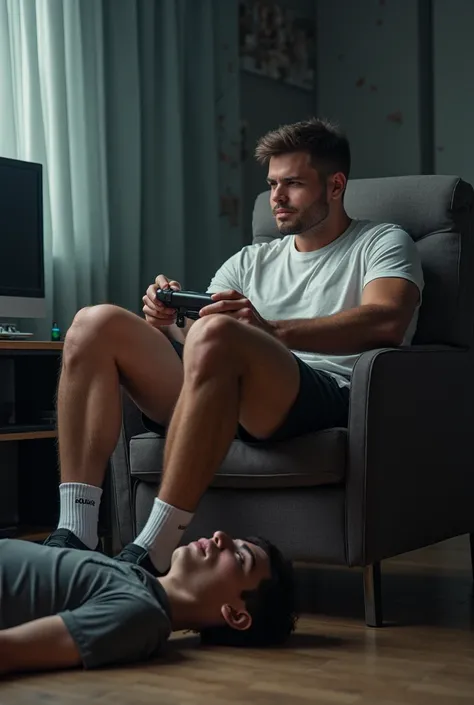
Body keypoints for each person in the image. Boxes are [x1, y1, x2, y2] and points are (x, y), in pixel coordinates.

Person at [44, 117, 424, 576]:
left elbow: (388, 318)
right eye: (272, 185)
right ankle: (76, 534)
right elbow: (202, 336)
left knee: (220, 333)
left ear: (336, 185)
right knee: (93, 322)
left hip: (317, 390)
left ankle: (153, 549)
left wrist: (273, 332)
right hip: (222, 390)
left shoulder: (380, 241)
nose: (276, 199)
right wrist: (168, 323)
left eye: (293, 184)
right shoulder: (250, 259)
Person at [0, 530, 296, 675]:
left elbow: (9, 651)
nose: (221, 537)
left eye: (241, 557)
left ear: (235, 614)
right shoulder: (135, 577)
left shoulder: (141, 614)